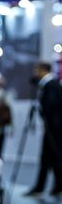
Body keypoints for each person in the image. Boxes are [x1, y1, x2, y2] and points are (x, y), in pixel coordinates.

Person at [26, 62, 62, 196]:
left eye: (37, 70)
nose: (36, 74)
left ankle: (47, 187)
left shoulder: (51, 85)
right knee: (48, 157)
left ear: (43, 70)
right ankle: (50, 187)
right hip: (52, 129)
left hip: (54, 129)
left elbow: (52, 106)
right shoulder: (49, 84)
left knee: (54, 156)